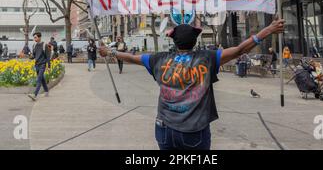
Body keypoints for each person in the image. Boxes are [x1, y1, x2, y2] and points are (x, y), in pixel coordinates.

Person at [99, 19, 284, 150]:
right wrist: (267, 30)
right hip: (193, 132)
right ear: (195, 41)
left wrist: (109, 52)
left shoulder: (158, 59)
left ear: (174, 40)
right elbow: (240, 50)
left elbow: (131, 58)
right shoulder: (208, 58)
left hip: (163, 129)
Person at [28, 32, 52, 101]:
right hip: (37, 64)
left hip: (42, 64)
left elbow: (48, 57)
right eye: (34, 37)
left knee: (39, 79)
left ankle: (34, 95)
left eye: (35, 37)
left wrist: (49, 66)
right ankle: (46, 91)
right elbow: (33, 56)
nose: (34, 38)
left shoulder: (45, 45)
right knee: (42, 79)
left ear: (39, 37)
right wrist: (29, 55)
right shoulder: (34, 45)